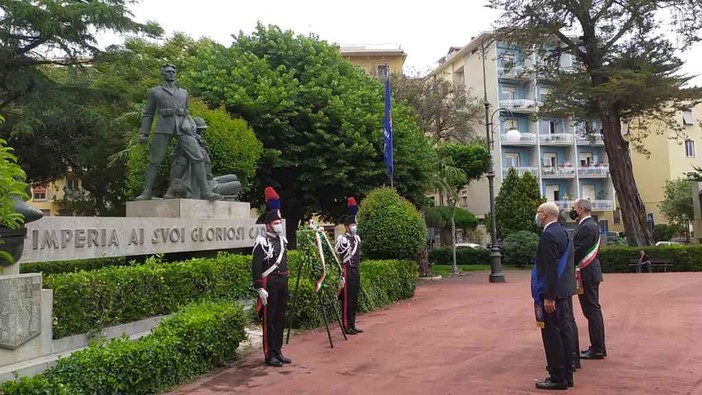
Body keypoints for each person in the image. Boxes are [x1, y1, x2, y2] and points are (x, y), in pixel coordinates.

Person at [135, 64, 220, 201]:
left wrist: (191, 126)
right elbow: (148, 114)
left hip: (182, 126)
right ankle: (146, 192)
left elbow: (186, 112)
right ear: (162, 74)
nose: (171, 74)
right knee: (154, 160)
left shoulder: (184, 92)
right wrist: (144, 133)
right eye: (168, 72)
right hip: (163, 126)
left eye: (173, 71)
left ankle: (205, 191)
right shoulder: (155, 91)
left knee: (197, 156)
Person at [532, 202, 575, 390]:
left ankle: (557, 376)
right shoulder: (563, 232)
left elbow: (550, 268)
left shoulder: (548, 236)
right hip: (563, 291)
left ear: (546, 214)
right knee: (564, 332)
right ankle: (567, 374)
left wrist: (549, 296)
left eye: (538, 213)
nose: (537, 216)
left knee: (552, 334)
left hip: (552, 293)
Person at [252, 187, 291, 367]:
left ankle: (278, 350)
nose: (278, 225)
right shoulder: (262, 242)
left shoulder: (282, 241)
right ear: (268, 225)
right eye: (275, 222)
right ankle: (269, 354)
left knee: (280, 317)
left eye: (279, 222)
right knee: (270, 320)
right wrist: (259, 287)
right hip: (269, 283)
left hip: (282, 282)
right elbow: (256, 266)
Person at [164, 116, 241, 199]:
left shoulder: (201, 145)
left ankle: (212, 185)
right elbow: (175, 159)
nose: (201, 134)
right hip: (204, 186)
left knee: (233, 177)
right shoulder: (188, 148)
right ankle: (206, 191)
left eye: (202, 131)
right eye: (199, 131)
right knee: (237, 184)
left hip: (211, 180)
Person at [570, 198, 607, 360]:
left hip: (587, 272)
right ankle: (597, 347)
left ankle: (598, 348)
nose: (572, 210)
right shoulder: (589, 225)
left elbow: (578, 250)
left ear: (581, 209)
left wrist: (565, 261)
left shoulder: (587, 226)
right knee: (591, 310)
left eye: (574, 207)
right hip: (589, 272)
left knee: (592, 311)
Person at [335, 197, 363, 335]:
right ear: (346, 227)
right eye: (351, 225)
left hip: (355, 270)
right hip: (347, 270)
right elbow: (338, 251)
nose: (354, 227)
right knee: (346, 299)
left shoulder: (357, 238)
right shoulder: (342, 238)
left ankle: (352, 323)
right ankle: (346, 325)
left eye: (354, 224)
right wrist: (344, 245)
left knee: (354, 297)